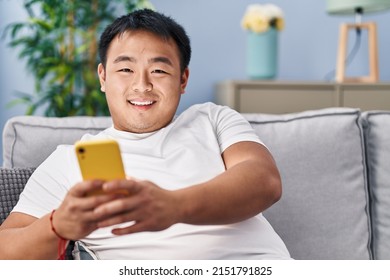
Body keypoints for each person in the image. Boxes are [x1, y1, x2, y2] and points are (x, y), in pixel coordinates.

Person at [0, 9, 290, 260]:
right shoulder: (68, 160)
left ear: (183, 79)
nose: (142, 85)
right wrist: (57, 226)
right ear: (103, 77)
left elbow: (264, 181)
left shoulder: (213, 119)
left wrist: (174, 206)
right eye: (126, 68)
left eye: (159, 71)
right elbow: (5, 250)